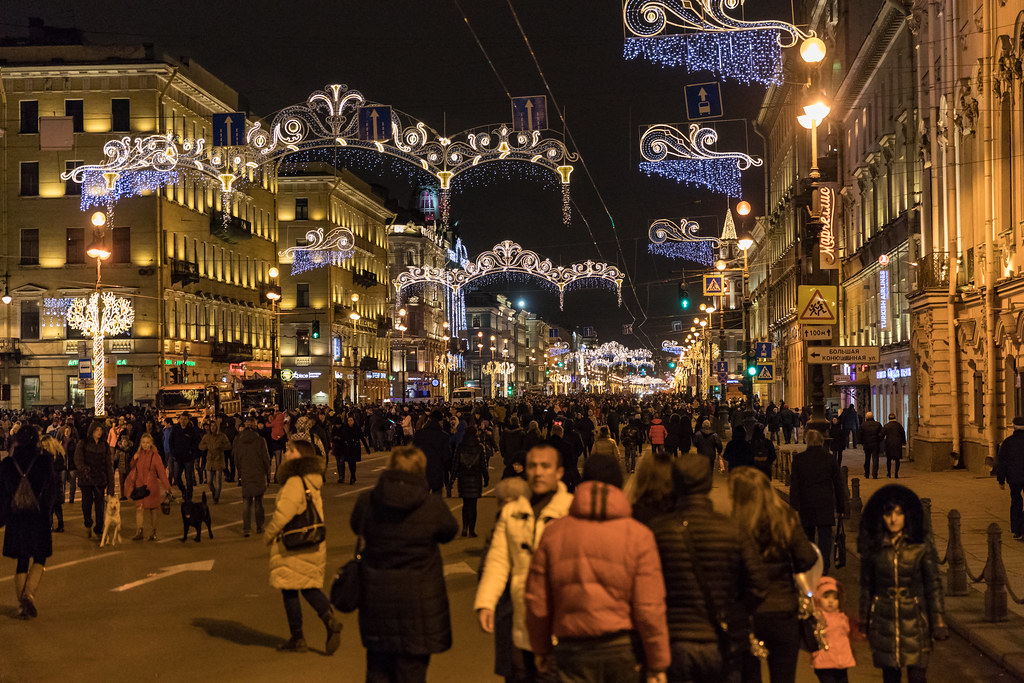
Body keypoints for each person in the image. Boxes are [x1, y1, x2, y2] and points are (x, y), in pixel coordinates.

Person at [525, 452, 670, 682]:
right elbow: (649, 607)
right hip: (622, 650)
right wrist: (657, 662)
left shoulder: (554, 534)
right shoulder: (639, 535)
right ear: (619, 485)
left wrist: (541, 648)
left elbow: (537, 601)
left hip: (572, 650)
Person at [647, 454, 768, 683]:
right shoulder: (732, 530)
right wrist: (734, 612)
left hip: (675, 639)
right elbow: (759, 584)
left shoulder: (658, 531)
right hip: (721, 639)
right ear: (707, 484)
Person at [351, 446, 458, 682]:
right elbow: (449, 532)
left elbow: (356, 525)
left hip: (377, 598)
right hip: (419, 600)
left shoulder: (368, 501)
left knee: (378, 669)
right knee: (412, 671)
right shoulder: (431, 505)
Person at [475, 444, 574, 682]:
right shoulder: (512, 511)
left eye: (545, 466)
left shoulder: (572, 510)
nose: (538, 472)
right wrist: (486, 601)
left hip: (561, 619)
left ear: (559, 472)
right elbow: (498, 559)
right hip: (521, 616)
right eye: (533, 466)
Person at [730, 467, 819, 683]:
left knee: (749, 676)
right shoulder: (786, 520)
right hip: (783, 610)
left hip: (749, 613)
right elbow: (808, 558)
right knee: (784, 676)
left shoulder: (733, 525)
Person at [858, 485, 948, 682]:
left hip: (916, 619)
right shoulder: (875, 547)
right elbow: (866, 586)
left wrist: (938, 621)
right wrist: (864, 621)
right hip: (885, 621)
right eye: (888, 514)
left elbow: (933, 585)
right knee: (890, 676)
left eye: (898, 513)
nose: (893, 519)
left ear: (907, 515)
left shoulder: (920, 546)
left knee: (917, 677)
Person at [263, 439, 341, 654]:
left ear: (301, 455)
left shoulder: (295, 482)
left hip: (294, 545)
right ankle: (329, 620)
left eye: (291, 450)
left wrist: (269, 535)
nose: (286, 453)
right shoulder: (312, 479)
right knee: (308, 587)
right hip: (312, 541)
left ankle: (298, 638)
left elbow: (284, 514)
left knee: (289, 589)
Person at [0, 427, 55, 619]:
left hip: (17, 518)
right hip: (38, 517)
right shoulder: (44, 461)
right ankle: (29, 595)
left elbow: (2, 495)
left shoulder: (8, 464)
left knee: (22, 560)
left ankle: (22, 604)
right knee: (40, 557)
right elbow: (51, 491)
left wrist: (3, 516)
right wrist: (48, 511)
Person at [481, 476, 532, 682]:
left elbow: (486, 570)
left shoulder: (499, 530)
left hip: (510, 610)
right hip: (531, 611)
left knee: (515, 670)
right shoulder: (535, 523)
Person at [789, 429, 848, 575]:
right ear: (821, 441)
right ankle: (824, 565)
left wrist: (793, 508)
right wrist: (841, 507)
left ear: (807, 441)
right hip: (824, 501)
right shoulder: (829, 459)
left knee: (808, 535)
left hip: (806, 502)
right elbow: (838, 485)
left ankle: (811, 563)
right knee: (825, 536)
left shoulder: (799, 459)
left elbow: (794, 486)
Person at [123, 433, 171, 541]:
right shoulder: (139, 454)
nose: (145, 445)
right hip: (140, 486)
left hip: (151, 487)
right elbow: (132, 467)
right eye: (143, 442)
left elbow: (162, 473)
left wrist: (167, 487)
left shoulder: (155, 456)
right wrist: (134, 459)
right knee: (139, 508)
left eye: (147, 443)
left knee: (153, 510)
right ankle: (139, 531)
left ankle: (153, 532)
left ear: (151, 443)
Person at [810, 576, 855, 683]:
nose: (831, 601)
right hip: (824, 662)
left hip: (842, 662)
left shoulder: (842, 617)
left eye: (835, 598)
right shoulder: (817, 618)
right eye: (826, 597)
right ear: (818, 598)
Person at [74, 421, 115, 540]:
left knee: (99, 506)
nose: (99, 432)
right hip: (86, 479)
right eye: (97, 430)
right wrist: (84, 469)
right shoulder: (83, 443)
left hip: (99, 480)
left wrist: (111, 487)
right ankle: (88, 523)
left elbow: (109, 466)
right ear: (92, 431)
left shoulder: (104, 446)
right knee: (86, 504)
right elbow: (78, 459)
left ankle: (99, 530)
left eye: (101, 430)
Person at [234, 415, 271, 538]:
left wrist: (240, 471)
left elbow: (236, 459)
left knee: (247, 502)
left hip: (246, 473)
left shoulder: (239, 440)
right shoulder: (260, 440)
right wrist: (267, 473)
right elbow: (266, 459)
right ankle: (259, 527)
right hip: (259, 474)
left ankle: (247, 528)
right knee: (258, 503)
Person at [456, 425, 488, 537]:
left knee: (465, 504)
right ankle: (472, 530)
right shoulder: (479, 448)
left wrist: (452, 479)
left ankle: (464, 527)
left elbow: (455, 464)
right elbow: (483, 465)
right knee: (473, 506)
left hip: (463, 478)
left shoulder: (460, 447)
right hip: (475, 478)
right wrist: (486, 478)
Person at [413, 410, 453, 495]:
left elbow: (413, 452)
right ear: (440, 421)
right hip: (437, 471)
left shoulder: (419, 434)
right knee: (436, 498)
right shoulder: (444, 436)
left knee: (423, 497)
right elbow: (447, 456)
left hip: (422, 470)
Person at [997, 417, 1024, 539]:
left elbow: (1002, 462)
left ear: (1013, 426)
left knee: (1016, 502)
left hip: (1014, 477)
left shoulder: (1008, 442)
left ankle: (1017, 530)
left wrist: (1001, 479)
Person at [169, 413, 201, 500]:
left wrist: (192, 453)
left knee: (189, 478)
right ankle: (183, 490)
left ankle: (189, 495)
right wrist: (173, 453)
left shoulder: (191, 431)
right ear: (179, 420)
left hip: (188, 458)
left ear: (188, 420)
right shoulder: (175, 430)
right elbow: (171, 441)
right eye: (181, 419)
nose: (183, 421)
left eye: (185, 419)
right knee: (176, 477)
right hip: (178, 458)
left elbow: (196, 443)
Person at [199, 419, 230, 503]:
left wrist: (220, 446)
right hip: (210, 460)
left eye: (214, 426)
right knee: (209, 481)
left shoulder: (222, 436)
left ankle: (216, 497)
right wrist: (207, 446)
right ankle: (214, 492)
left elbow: (228, 445)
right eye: (211, 426)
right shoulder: (206, 436)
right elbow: (201, 446)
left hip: (219, 459)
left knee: (218, 480)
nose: (212, 428)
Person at [40, 435, 65, 534]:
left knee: (49, 506)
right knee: (57, 506)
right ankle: (60, 525)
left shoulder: (47, 455)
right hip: (56, 482)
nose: (43, 447)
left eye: (44, 445)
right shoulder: (58, 453)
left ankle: (50, 525)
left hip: (50, 483)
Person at [331, 414, 364, 485]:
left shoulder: (348, 428)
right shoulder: (338, 429)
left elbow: (360, 437)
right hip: (338, 448)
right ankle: (342, 477)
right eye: (349, 420)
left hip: (346, 448)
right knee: (341, 463)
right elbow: (332, 437)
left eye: (351, 420)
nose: (338, 426)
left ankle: (351, 477)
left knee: (346, 462)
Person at [860, 412, 884, 479]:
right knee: (875, 459)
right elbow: (881, 434)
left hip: (867, 444)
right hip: (875, 444)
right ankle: (875, 474)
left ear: (866, 417)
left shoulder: (863, 425)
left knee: (867, 459)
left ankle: (867, 473)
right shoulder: (878, 424)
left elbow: (860, 435)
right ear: (873, 417)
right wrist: (879, 440)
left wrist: (862, 442)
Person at [882, 414, 906, 479]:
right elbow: (903, 434)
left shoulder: (886, 426)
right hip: (898, 444)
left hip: (889, 444)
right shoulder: (899, 426)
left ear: (889, 418)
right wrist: (903, 442)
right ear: (895, 418)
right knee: (897, 460)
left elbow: (882, 434)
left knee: (888, 459)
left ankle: (889, 473)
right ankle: (896, 473)